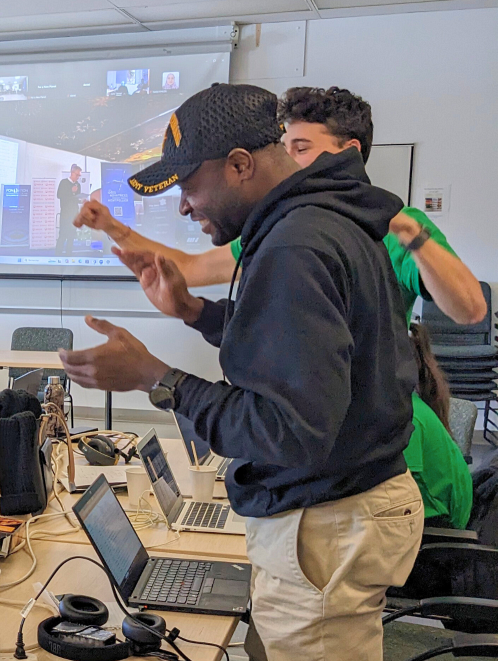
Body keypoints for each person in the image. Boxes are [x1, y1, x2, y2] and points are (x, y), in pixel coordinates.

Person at [60, 84, 423, 660]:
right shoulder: (323, 221)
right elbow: (300, 345)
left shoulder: (295, 245)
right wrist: (193, 311)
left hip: (325, 516)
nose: (183, 206)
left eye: (188, 185)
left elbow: (289, 431)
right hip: (346, 505)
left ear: (239, 165)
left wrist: (158, 378)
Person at [74, 86, 486, 325]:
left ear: (350, 153)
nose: (286, 160)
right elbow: (193, 268)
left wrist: (408, 231)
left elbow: (469, 309)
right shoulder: (278, 229)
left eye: (300, 148)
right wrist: (115, 228)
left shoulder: (393, 227)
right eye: (282, 146)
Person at [407, 323, 473, 529]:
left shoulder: (407, 416)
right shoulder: (409, 403)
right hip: (444, 513)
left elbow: (397, 491)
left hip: (442, 526)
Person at [56, 164, 83, 255]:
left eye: (79, 175)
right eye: (77, 175)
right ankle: (58, 255)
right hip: (65, 214)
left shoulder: (78, 185)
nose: (78, 177)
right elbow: (59, 195)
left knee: (71, 236)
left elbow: (74, 198)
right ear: (72, 173)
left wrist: (80, 200)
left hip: (74, 214)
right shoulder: (63, 182)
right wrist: (72, 191)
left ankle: (69, 255)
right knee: (63, 235)